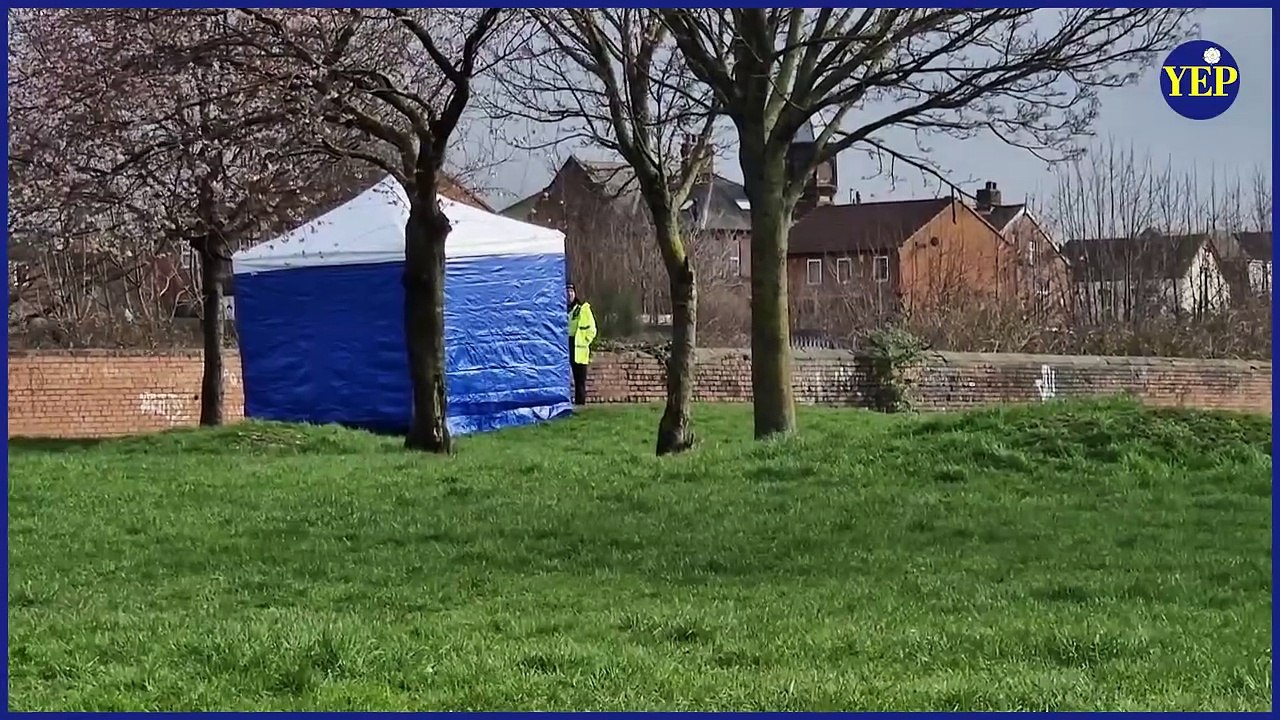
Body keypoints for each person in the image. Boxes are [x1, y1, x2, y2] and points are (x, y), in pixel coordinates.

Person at [567, 283, 597, 406]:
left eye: (571, 292)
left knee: (580, 381)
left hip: (579, 348)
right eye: (567, 292)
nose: (569, 294)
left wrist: (583, 342)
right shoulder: (559, 309)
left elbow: (592, 330)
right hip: (565, 346)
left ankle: (580, 405)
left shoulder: (582, 309)